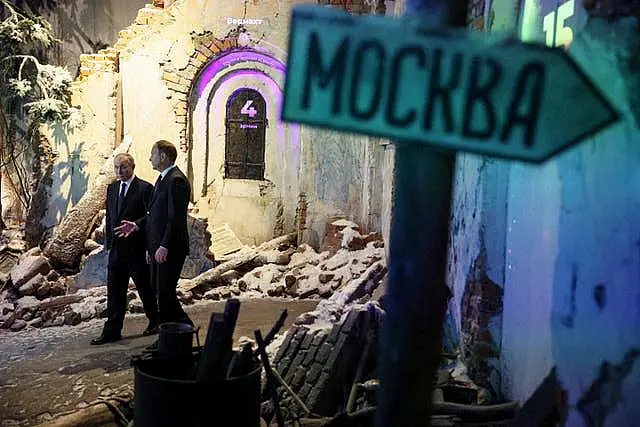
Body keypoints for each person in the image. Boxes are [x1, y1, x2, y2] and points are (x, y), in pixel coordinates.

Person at [117, 140, 193, 331]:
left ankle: (176, 333)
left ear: (163, 157)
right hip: (157, 247)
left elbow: (174, 218)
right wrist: (136, 226)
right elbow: (153, 215)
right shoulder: (161, 179)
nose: (150, 157)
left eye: (153, 153)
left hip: (171, 248)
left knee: (165, 294)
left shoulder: (176, 180)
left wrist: (164, 245)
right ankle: (176, 333)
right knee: (162, 293)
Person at [91, 153, 159, 345]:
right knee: (114, 291)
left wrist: (138, 227)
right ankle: (112, 330)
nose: (120, 171)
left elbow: (153, 217)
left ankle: (155, 320)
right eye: (116, 167)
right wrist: (109, 244)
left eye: (124, 167)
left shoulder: (145, 188)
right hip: (116, 251)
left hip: (137, 249)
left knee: (145, 287)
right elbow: (112, 217)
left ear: (133, 167)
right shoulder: (112, 189)